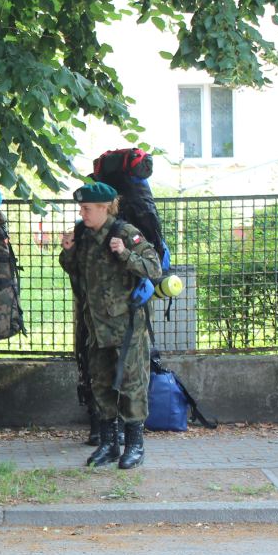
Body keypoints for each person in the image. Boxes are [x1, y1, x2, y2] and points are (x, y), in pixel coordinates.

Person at [59, 182, 161, 469]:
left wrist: (125, 254)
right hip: (96, 326)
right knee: (101, 385)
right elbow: (76, 271)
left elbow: (153, 268)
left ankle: (135, 446)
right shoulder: (84, 234)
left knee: (131, 385)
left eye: (86, 208)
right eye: (81, 208)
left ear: (104, 207)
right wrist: (68, 251)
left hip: (126, 328)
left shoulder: (125, 233)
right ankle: (109, 444)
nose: (82, 213)